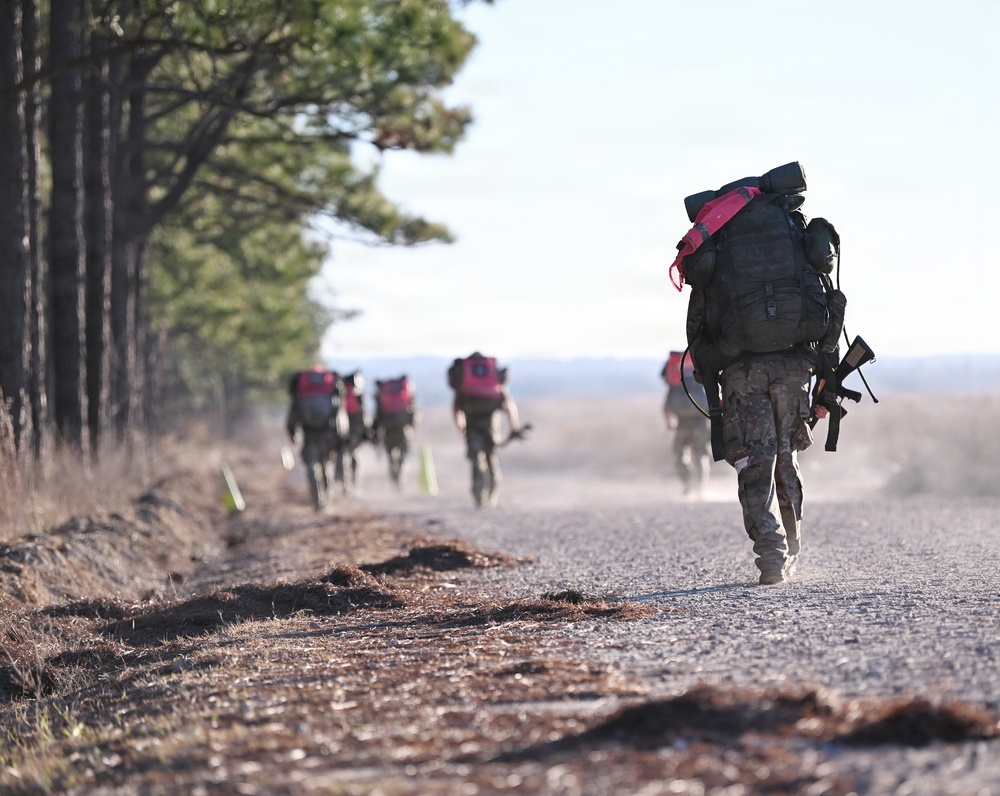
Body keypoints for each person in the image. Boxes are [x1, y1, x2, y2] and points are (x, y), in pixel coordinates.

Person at [673, 162, 843, 585]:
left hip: (741, 371)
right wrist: (828, 381)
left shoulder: (717, 242)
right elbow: (828, 305)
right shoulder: (792, 231)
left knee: (756, 461)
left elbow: (697, 324)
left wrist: (711, 377)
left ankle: (771, 554)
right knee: (787, 459)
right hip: (795, 366)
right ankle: (792, 547)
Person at [449, 353, 521, 507]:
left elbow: (456, 406)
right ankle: (491, 496)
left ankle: (479, 497)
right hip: (491, 425)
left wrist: (460, 425)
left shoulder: (464, 384)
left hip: (472, 426)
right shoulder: (494, 381)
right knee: (491, 458)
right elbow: (509, 404)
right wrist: (514, 427)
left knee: (476, 460)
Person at [285, 366, 347, 510]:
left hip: (309, 433)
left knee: (312, 465)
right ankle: (327, 498)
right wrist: (340, 435)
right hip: (328, 433)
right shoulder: (330, 389)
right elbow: (339, 414)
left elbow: (292, 415)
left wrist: (292, 433)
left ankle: (317, 500)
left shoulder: (302, 390)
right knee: (327, 464)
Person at [660, 352, 711, 498]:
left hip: (682, 423)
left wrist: (669, 421)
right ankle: (700, 488)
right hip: (701, 423)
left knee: (680, 453)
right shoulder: (699, 377)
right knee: (701, 454)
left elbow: (666, 404)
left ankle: (687, 483)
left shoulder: (676, 380)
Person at [372, 375, 418, 488]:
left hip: (388, 426)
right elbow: (413, 408)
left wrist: (376, 431)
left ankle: (393, 472)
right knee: (404, 451)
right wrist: (413, 425)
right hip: (403, 426)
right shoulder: (406, 388)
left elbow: (377, 413)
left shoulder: (383, 391)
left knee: (390, 452)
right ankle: (400, 473)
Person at [334, 369, 370, 494]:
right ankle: (353, 484)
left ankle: (343, 484)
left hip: (340, 428)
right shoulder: (357, 392)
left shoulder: (339, 391)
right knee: (354, 454)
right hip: (355, 428)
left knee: (342, 454)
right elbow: (364, 414)